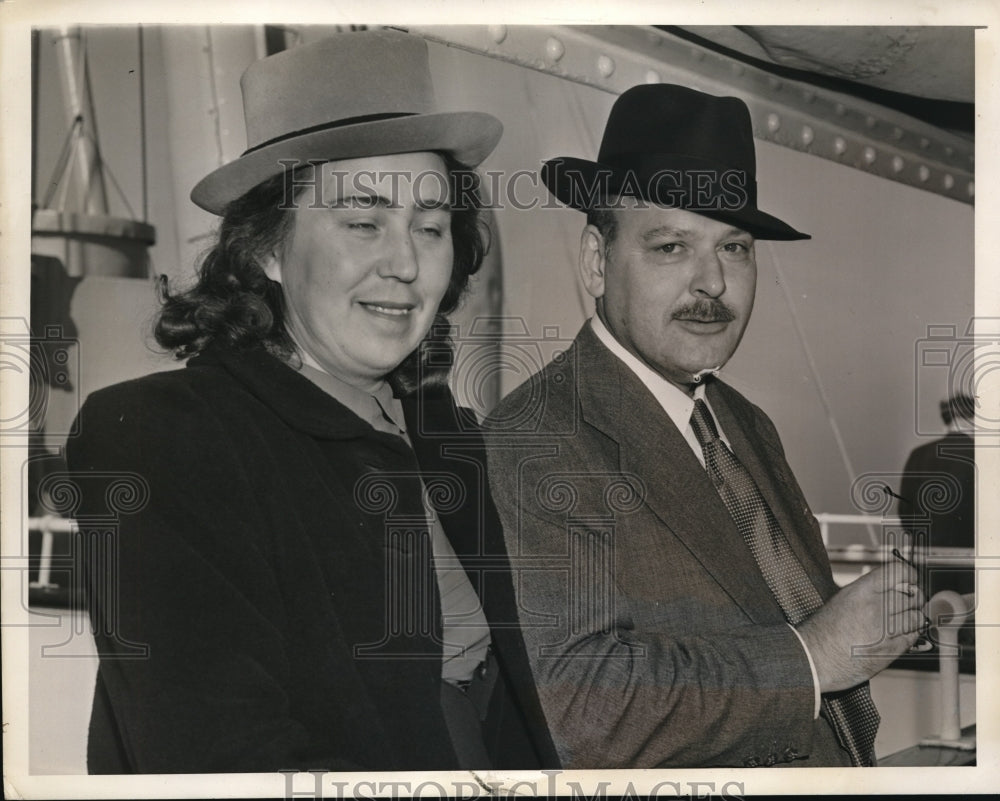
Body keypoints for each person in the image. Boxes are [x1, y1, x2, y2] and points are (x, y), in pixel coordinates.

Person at [66, 30, 556, 773]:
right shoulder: (165, 437)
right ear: (267, 248)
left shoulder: (444, 435)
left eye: (429, 226)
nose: (405, 262)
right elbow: (221, 757)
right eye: (362, 222)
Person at [484, 84, 926, 769]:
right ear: (596, 262)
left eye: (735, 248)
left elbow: (771, 604)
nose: (713, 283)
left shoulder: (744, 423)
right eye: (670, 247)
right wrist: (813, 656)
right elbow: (580, 706)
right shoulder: (534, 439)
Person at [899, 393, 976, 597]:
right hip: (969, 562)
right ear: (971, 419)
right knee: (966, 621)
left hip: (926, 559)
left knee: (928, 618)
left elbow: (905, 512)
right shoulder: (981, 455)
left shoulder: (919, 455)